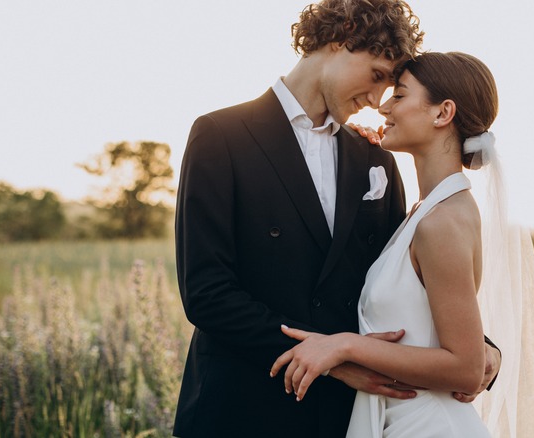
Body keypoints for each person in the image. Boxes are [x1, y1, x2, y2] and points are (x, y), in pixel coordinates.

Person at [173, 1, 499, 436]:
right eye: (378, 75)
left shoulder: (374, 157)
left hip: (344, 417)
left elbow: (403, 275)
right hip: (242, 404)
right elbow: (207, 293)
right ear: (341, 35)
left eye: (393, 88)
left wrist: (477, 348)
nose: (378, 100)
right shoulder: (220, 135)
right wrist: (334, 360)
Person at [271, 52, 534, 437]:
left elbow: (463, 368)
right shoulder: (425, 212)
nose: (382, 108)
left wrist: (346, 346)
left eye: (399, 95)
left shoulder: (443, 220)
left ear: (443, 113)